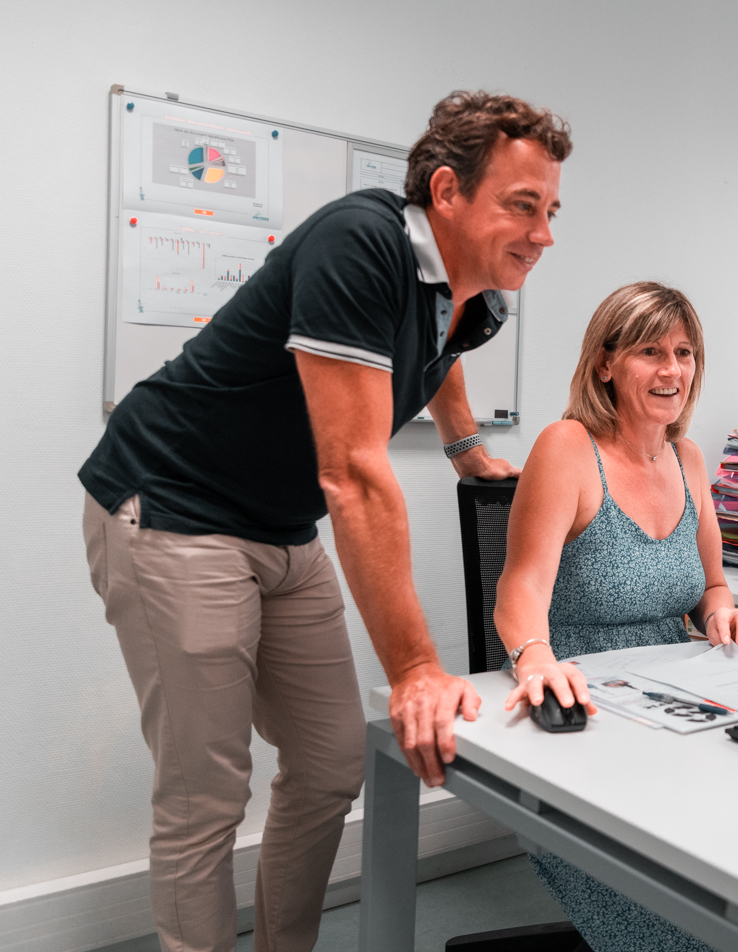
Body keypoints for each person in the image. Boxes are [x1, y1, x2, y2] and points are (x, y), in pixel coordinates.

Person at [77, 91, 571, 952]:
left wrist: (465, 449)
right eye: (522, 206)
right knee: (207, 795)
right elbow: (353, 475)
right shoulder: (361, 242)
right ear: (447, 191)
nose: (543, 234)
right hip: (172, 504)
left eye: (552, 210)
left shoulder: (478, 292)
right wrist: (417, 667)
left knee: (332, 762)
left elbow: (443, 347)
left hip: (279, 523)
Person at [493, 283, 738, 952]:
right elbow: (520, 584)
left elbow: (711, 584)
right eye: (651, 352)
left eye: (684, 353)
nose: (673, 370)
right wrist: (533, 655)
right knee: (716, 917)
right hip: (585, 713)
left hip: (676, 700)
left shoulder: (687, 458)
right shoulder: (568, 447)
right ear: (605, 363)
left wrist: (723, 615)